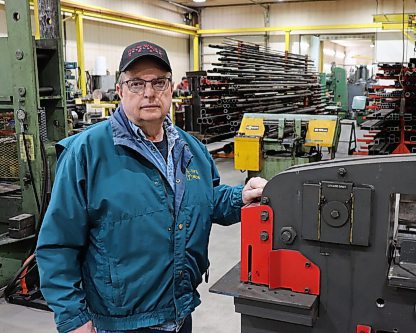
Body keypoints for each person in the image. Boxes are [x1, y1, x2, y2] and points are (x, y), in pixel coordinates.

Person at [36, 41, 267, 333]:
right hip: (120, 324)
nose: (148, 93)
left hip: (180, 312)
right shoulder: (86, 153)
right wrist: (72, 318)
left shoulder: (191, 148)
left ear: (171, 89)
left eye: (158, 82)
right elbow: (57, 243)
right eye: (136, 83)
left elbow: (205, 200)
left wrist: (240, 197)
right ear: (119, 90)